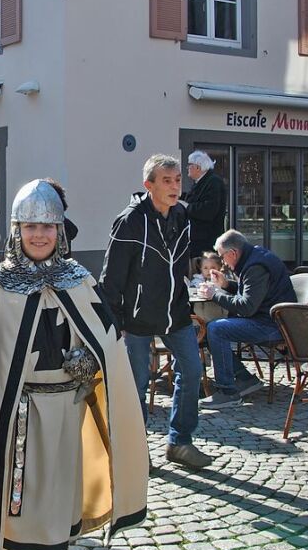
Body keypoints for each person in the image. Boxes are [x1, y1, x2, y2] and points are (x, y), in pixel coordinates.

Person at [0, 180, 149, 550]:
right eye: (31, 227)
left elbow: (105, 336)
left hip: (65, 403)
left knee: (61, 486)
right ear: (16, 231)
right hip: (18, 410)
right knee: (21, 489)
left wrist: (90, 361)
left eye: (48, 227)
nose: (39, 235)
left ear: (61, 232)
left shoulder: (78, 281)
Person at [100, 154, 212, 469]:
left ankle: (180, 442)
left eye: (178, 180)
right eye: (167, 181)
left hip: (174, 313)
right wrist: (115, 323)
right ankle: (135, 450)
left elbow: (180, 265)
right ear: (149, 185)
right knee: (136, 384)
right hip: (134, 317)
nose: (175, 186)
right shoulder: (130, 220)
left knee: (191, 370)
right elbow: (110, 278)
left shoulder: (182, 216)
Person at [199, 229, 297, 409]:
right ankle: (244, 378)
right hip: (273, 319)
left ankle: (227, 393)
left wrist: (214, 294)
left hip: (273, 325)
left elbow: (247, 306)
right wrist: (227, 285)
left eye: (222, 257)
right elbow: (252, 294)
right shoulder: (255, 257)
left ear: (233, 253)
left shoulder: (255, 267)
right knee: (209, 329)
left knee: (215, 329)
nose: (223, 263)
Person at [184, 150, 227, 264]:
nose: (187, 168)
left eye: (189, 165)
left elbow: (209, 210)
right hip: (198, 239)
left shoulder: (213, 182)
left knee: (204, 273)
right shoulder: (201, 181)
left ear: (198, 167)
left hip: (206, 240)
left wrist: (187, 207)